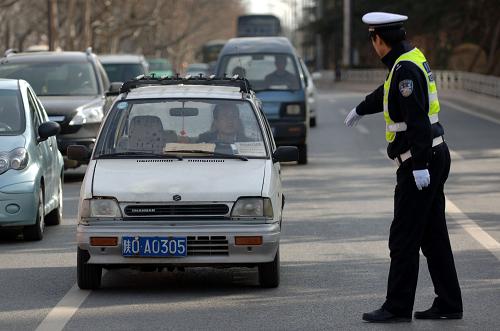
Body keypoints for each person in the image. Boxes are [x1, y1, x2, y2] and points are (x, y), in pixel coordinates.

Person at [344, 12, 463, 323]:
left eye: (372, 40)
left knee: (403, 238)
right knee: (433, 235)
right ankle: (449, 303)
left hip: (419, 160)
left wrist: (419, 165)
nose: (373, 46)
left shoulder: (405, 68)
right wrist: (361, 107)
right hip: (434, 155)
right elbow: (388, 93)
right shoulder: (408, 59)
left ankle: (397, 307)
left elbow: (418, 118)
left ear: (379, 40)